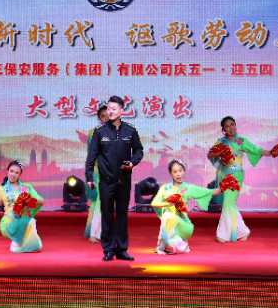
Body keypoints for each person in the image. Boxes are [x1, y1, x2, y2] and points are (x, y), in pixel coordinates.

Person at [85, 95, 144, 261]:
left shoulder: (130, 131)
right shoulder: (99, 132)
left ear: (121, 111)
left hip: (124, 180)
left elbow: (139, 151)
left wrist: (132, 163)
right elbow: (91, 156)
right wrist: (89, 176)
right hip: (106, 181)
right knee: (107, 215)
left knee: (122, 215)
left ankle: (122, 249)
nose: (110, 112)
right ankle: (108, 249)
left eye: (113, 109)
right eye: (108, 108)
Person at [208, 116, 273, 242]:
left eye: (232, 124)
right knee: (230, 203)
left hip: (236, 176)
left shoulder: (241, 141)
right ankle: (242, 231)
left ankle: (224, 234)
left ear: (235, 125)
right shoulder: (220, 142)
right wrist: (221, 152)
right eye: (227, 126)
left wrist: (271, 152)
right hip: (223, 175)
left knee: (228, 203)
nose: (231, 128)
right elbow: (210, 154)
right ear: (223, 130)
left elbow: (256, 150)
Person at [151, 159, 222, 255]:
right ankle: (166, 245)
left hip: (184, 225)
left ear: (184, 171)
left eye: (180, 171)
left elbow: (209, 192)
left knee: (167, 216)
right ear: (171, 173)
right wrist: (169, 203)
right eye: (175, 172)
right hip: (169, 223)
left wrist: (224, 187)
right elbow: (154, 203)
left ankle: (177, 246)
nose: (178, 174)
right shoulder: (165, 188)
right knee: (167, 216)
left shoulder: (188, 188)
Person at [0, 160, 44, 253]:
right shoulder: (2, 190)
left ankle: (22, 242)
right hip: (8, 222)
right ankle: (18, 241)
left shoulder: (27, 188)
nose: (13, 174)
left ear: (20, 175)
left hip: (23, 218)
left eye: (16, 172)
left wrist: (28, 200)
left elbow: (41, 201)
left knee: (35, 241)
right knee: (23, 223)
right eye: (11, 171)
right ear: (7, 171)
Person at [84, 105, 109, 243]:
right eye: (103, 116)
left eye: (108, 115)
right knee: (99, 202)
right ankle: (94, 233)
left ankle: (101, 232)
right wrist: (90, 176)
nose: (106, 118)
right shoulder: (94, 132)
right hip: (98, 172)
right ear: (99, 118)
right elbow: (91, 155)